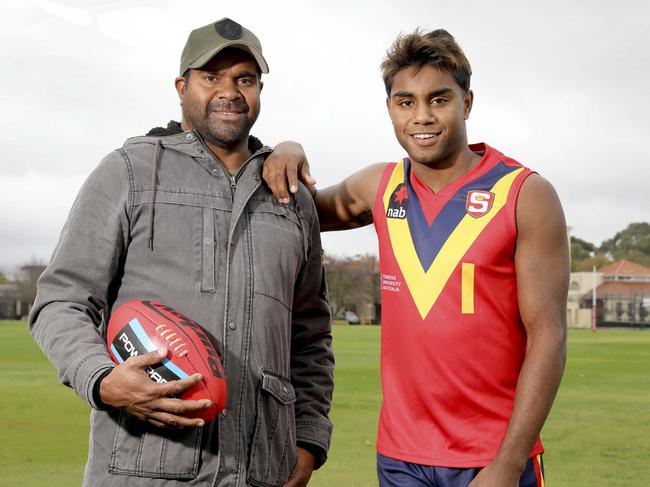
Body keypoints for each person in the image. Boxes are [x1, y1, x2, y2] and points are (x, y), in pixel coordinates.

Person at [29, 18, 333, 487]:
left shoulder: (292, 198)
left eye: (245, 80)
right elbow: (60, 301)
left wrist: (309, 442)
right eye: (211, 77)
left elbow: (310, 336)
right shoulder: (127, 171)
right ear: (181, 85)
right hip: (145, 469)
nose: (229, 92)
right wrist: (102, 378)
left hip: (263, 472)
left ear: (259, 90)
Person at [263, 28, 569, 486]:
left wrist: (508, 462)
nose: (421, 116)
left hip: (490, 458)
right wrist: (287, 149)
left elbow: (548, 335)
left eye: (439, 100)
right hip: (401, 457)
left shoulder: (524, 194)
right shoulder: (380, 185)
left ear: (467, 102)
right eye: (406, 102)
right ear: (390, 108)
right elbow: (292, 208)